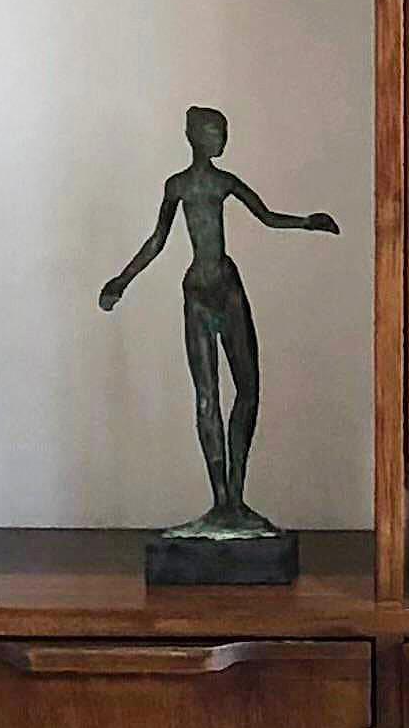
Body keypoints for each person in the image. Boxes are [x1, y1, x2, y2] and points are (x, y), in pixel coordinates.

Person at [98, 108, 338, 534]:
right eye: (215, 132)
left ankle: (236, 498)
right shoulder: (178, 187)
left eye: (224, 132)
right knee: (208, 395)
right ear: (194, 137)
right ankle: (221, 503)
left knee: (247, 389)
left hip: (227, 290)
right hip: (200, 294)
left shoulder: (224, 183)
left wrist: (306, 222)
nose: (222, 139)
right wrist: (122, 280)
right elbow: (158, 239)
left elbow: (265, 215)